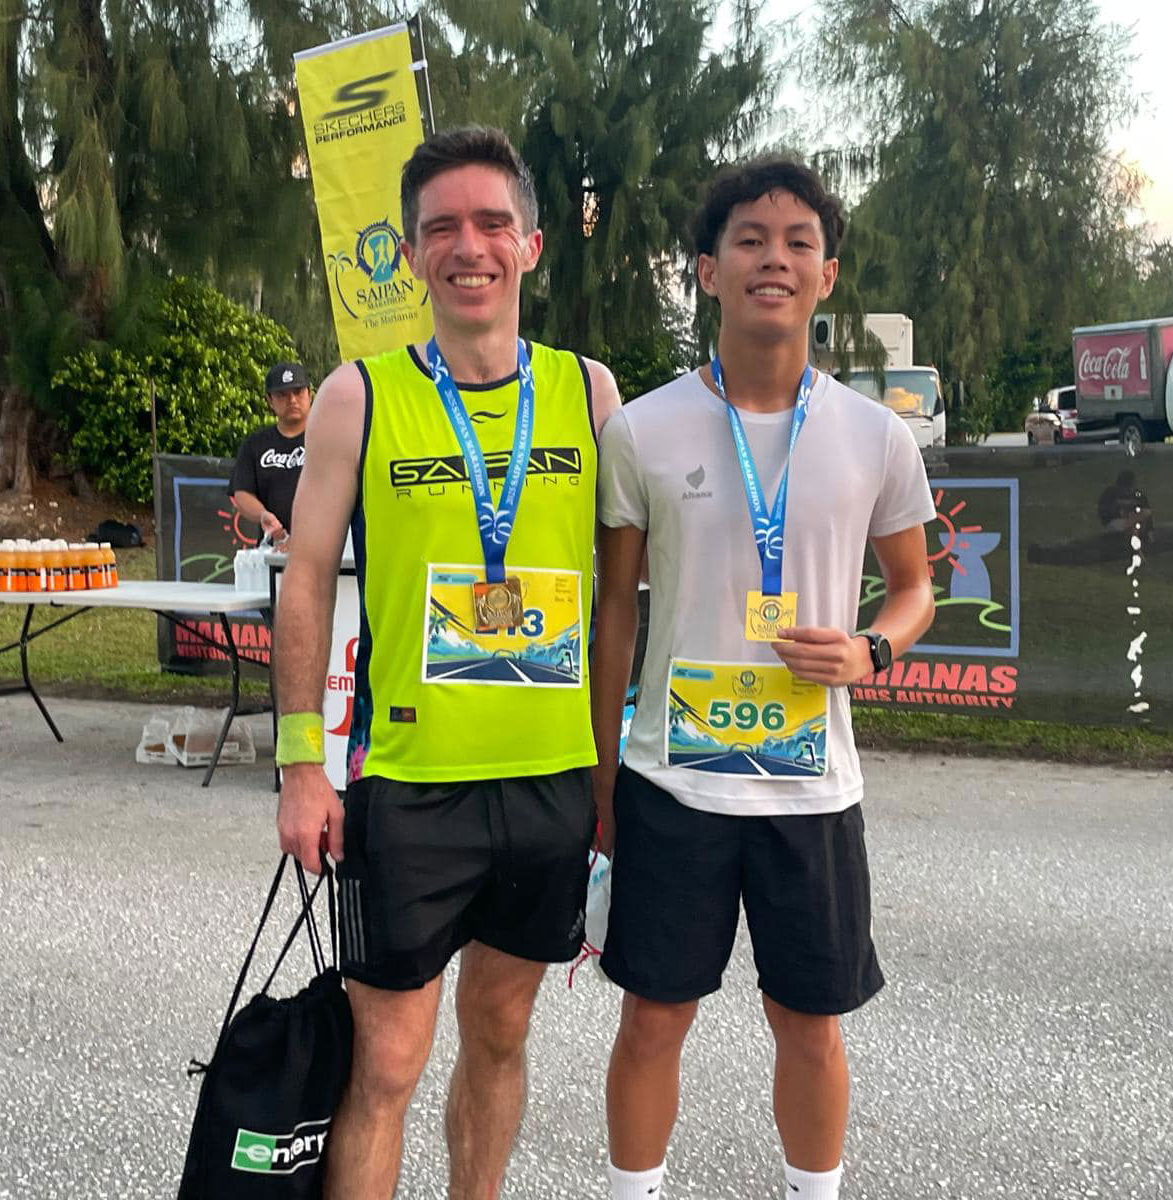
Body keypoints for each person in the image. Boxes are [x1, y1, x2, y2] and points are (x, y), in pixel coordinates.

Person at [271, 125, 621, 1199]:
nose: (468, 247)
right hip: (410, 787)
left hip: (548, 783)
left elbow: (625, 601)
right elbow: (304, 578)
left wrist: (612, 781)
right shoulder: (357, 395)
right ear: (411, 254)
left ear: (531, 244)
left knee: (502, 1033)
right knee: (384, 1060)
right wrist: (298, 763)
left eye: (490, 224)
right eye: (441, 229)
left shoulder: (590, 392)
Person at [590, 158, 937, 1200]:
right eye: (748, 239)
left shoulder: (877, 435)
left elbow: (914, 589)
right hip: (672, 782)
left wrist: (870, 648)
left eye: (796, 242)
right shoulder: (640, 429)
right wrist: (601, 769)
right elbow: (615, 608)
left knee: (811, 1022)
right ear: (705, 269)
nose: (772, 258)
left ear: (826, 276)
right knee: (654, 1017)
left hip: (810, 789)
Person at [230, 361, 312, 549]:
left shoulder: (329, 439)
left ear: (310, 394)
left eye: (298, 392)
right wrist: (262, 515)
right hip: (274, 548)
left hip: (323, 551)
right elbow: (242, 493)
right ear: (269, 400)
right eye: (282, 394)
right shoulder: (255, 444)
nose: (292, 400)